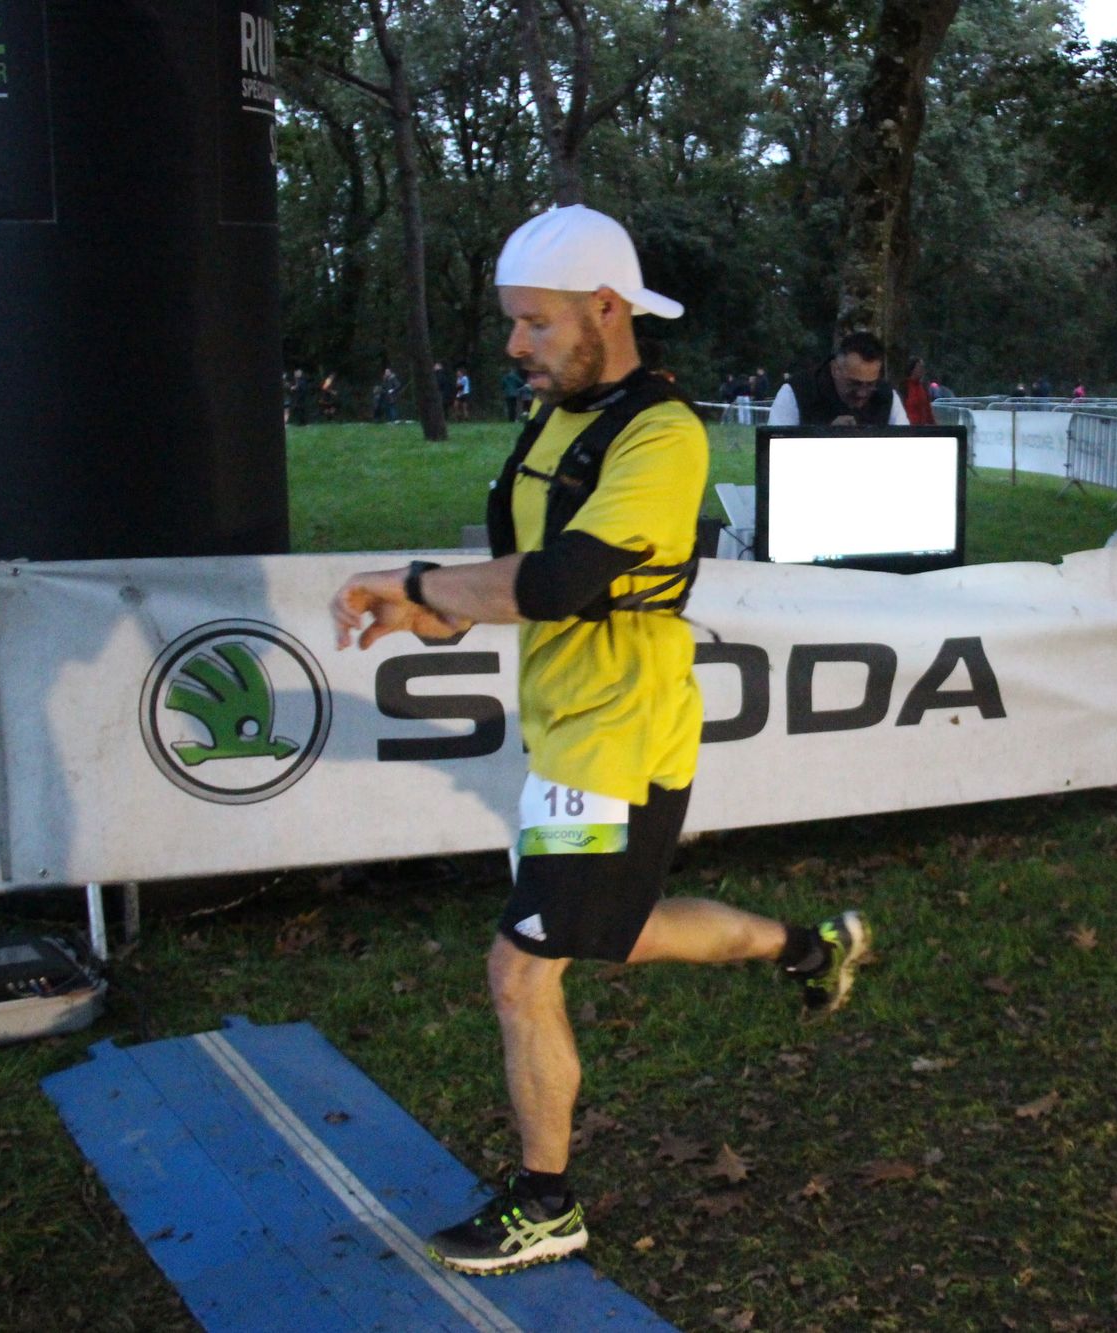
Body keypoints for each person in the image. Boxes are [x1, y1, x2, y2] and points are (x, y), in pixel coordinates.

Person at [327, 204, 872, 1278]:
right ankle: (808, 947)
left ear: (606, 309)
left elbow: (564, 580)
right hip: (567, 723)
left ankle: (547, 1202)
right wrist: (434, 616)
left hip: (617, 739)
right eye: (512, 321)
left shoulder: (662, 435)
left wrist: (419, 582)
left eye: (534, 322)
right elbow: (529, 573)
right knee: (617, 931)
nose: (514, 343)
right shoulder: (560, 417)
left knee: (522, 969)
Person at [766, 331, 910, 427]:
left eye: (871, 384)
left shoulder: (887, 396)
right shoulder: (796, 393)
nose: (862, 393)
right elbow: (773, 454)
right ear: (835, 369)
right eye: (854, 383)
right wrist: (824, 437)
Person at [901, 355, 934, 426]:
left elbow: (928, 410)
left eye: (923, 367)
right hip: (908, 428)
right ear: (913, 369)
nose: (922, 370)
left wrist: (934, 426)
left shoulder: (923, 387)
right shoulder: (904, 387)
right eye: (920, 367)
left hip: (922, 428)